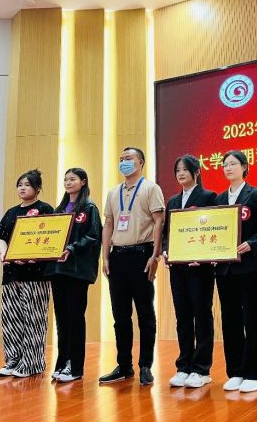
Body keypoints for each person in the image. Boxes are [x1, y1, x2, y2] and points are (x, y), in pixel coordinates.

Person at [99, 147, 165, 385]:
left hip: (142, 255)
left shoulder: (150, 188)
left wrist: (155, 256)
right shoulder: (113, 192)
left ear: (141, 162)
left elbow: (159, 222)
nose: (124, 162)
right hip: (117, 256)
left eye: (129, 158)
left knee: (145, 313)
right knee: (120, 315)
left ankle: (145, 365)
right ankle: (124, 365)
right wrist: (105, 257)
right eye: (121, 159)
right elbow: (108, 224)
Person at [215, 150, 257, 393]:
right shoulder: (219, 199)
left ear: (245, 167)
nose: (228, 168)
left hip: (249, 267)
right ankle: (235, 371)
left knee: (253, 320)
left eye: (233, 164)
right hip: (225, 269)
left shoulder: (256, 195)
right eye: (225, 164)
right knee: (230, 320)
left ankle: (255, 373)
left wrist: (252, 243)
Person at [0, 169, 54, 378]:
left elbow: (52, 237)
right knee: (11, 318)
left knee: (34, 318)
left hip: (35, 273)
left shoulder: (45, 209)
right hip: (12, 272)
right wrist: (5, 254)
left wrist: (33, 254)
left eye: (27, 185)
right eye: (20, 184)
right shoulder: (11, 212)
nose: (22, 188)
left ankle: (31, 362)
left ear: (37, 189)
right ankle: (13, 360)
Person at [163, 154, 217, 389]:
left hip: (200, 268)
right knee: (183, 316)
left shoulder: (208, 197)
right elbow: (167, 233)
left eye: (185, 169)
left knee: (201, 315)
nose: (181, 174)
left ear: (196, 172)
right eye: (178, 170)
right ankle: (183, 366)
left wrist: (203, 255)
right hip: (178, 268)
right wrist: (166, 251)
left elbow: (216, 229)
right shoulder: (173, 201)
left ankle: (201, 369)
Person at [45, 167, 102, 383]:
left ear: (83, 182)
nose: (68, 183)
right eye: (66, 179)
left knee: (75, 317)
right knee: (62, 318)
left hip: (77, 271)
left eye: (73, 179)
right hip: (57, 270)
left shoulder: (89, 207)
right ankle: (63, 362)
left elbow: (93, 236)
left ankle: (75, 367)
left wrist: (72, 248)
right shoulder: (59, 209)